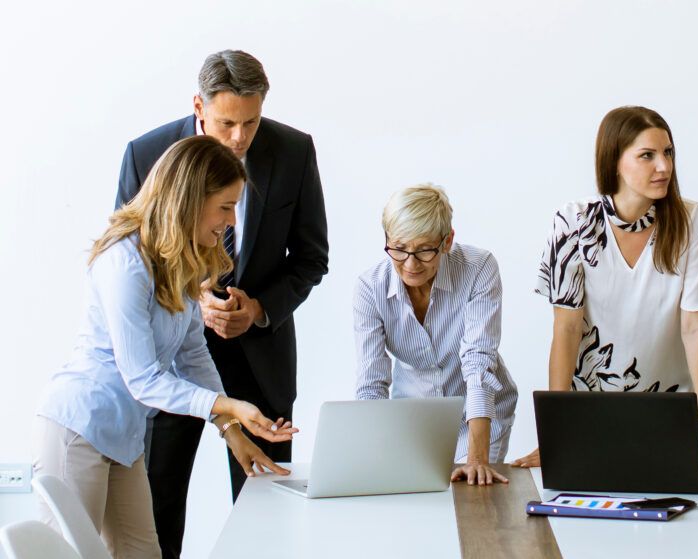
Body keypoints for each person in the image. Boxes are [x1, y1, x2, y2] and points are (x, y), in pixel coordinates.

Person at [35, 136, 296, 558]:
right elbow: (143, 379)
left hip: (124, 437)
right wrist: (228, 406)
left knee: (144, 554)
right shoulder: (124, 263)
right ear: (191, 199)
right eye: (225, 206)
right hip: (79, 427)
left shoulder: (179, 261)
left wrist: (231, 430)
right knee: (73, 554)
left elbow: (192, 354)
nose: (231, 220)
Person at [116, 50, 329, 558]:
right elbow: (128, 258)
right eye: (226, 123)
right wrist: (194, 299)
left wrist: (257, 309)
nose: (238, 138)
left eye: (250, 123)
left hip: (261, 360)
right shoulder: (147, 154)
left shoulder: (293, 151)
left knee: (269, 507)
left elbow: (311, 258)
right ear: (199, 106)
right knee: (159, 506)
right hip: (171, 361)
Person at [514, 106, 698, 476]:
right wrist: (557, 431)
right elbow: (566, 329)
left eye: (668, 153)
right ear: (614, 161)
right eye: (647, 155)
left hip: (668, 415)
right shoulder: (573, 222)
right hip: (589, 416)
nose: (664, 166)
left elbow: (695, 328)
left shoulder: (692, 221)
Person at [353, 184, 518, 485]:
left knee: (474, 496)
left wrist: (477, 458)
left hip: (478, 417)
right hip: (412, 417)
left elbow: (478, 361)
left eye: (424, 250)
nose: (411, 264)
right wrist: (371, 457)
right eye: (399, 248)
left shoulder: (479, 268)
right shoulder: (369, 288)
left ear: (447, 241)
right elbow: (372, 384)